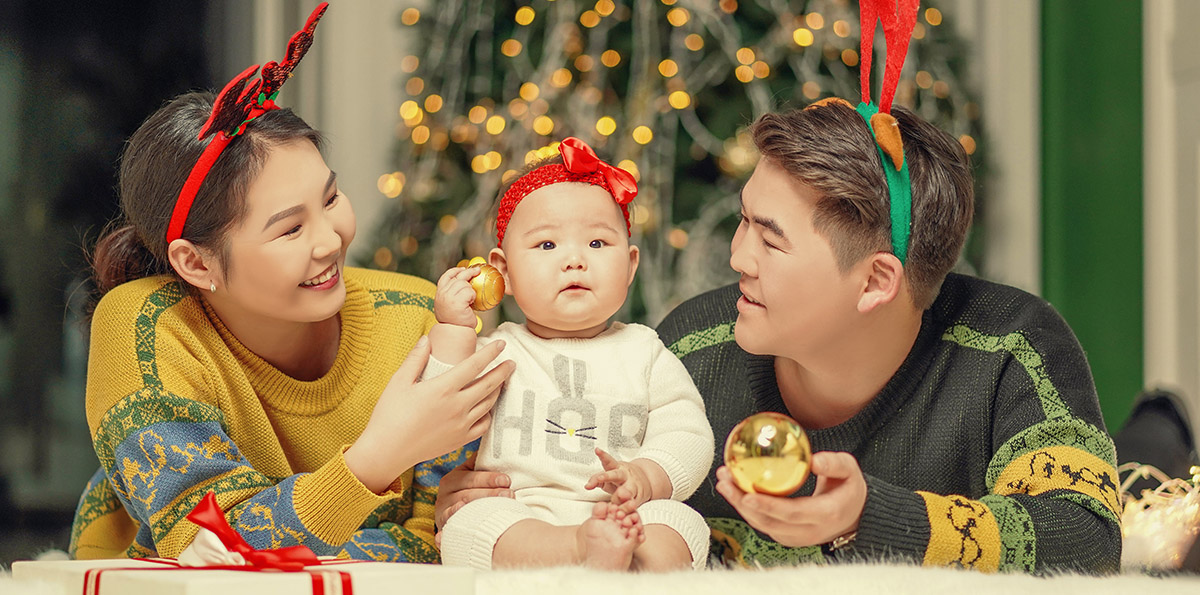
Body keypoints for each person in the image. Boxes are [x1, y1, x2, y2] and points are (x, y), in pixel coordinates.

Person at [438, 101, 1123, 573]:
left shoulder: (1012, 350)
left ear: (875, 281)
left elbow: (1087, 539)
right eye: (744, 221)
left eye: (770, 238)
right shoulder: (692, 348)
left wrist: (872, 514)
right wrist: (499, 513)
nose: (737, 256)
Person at [68, 2, 513, 563]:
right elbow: (213, 545)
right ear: (198, 264)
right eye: (290, 229)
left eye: (330, 199)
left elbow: (443, 541)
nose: (329, 240)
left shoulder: (421, 319)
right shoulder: (146, 328)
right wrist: (380, 454)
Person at [428, 138, 714, 570]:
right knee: (470, 522)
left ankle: (639, 569)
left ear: (631, 264)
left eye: (598, 244)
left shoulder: (644, 351)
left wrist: (647, 476)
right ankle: (580, 551)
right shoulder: (499, 350)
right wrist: (453, 329)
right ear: (502, 272)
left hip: (625, 514)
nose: (575, 260)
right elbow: (436, 407)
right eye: (547, 246)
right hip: (524, 512)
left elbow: (687, 432)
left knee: (679, 520)